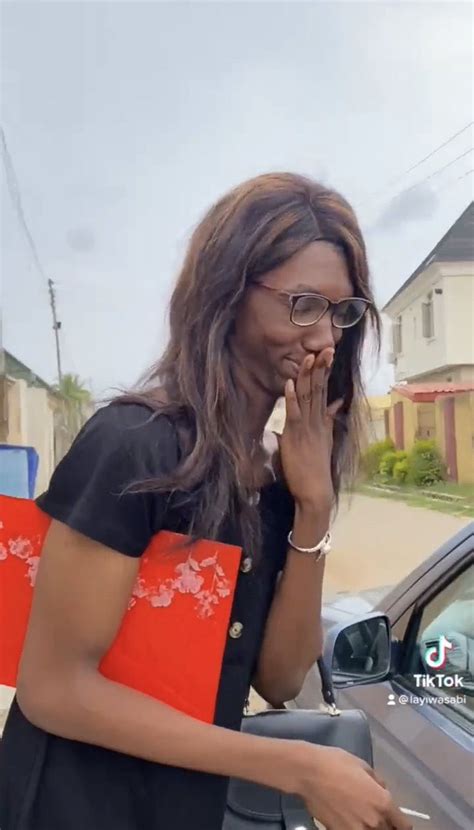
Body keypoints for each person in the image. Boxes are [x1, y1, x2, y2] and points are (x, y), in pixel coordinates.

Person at [0, 173, 411, 830]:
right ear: (228, 293)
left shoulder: (275, 477)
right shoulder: (136, 446)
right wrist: (296, 767)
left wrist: (313, 505)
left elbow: (279, 678)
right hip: (70, 806)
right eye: (303, 304)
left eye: (342, 312)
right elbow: (54, 688)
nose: (326, 339)